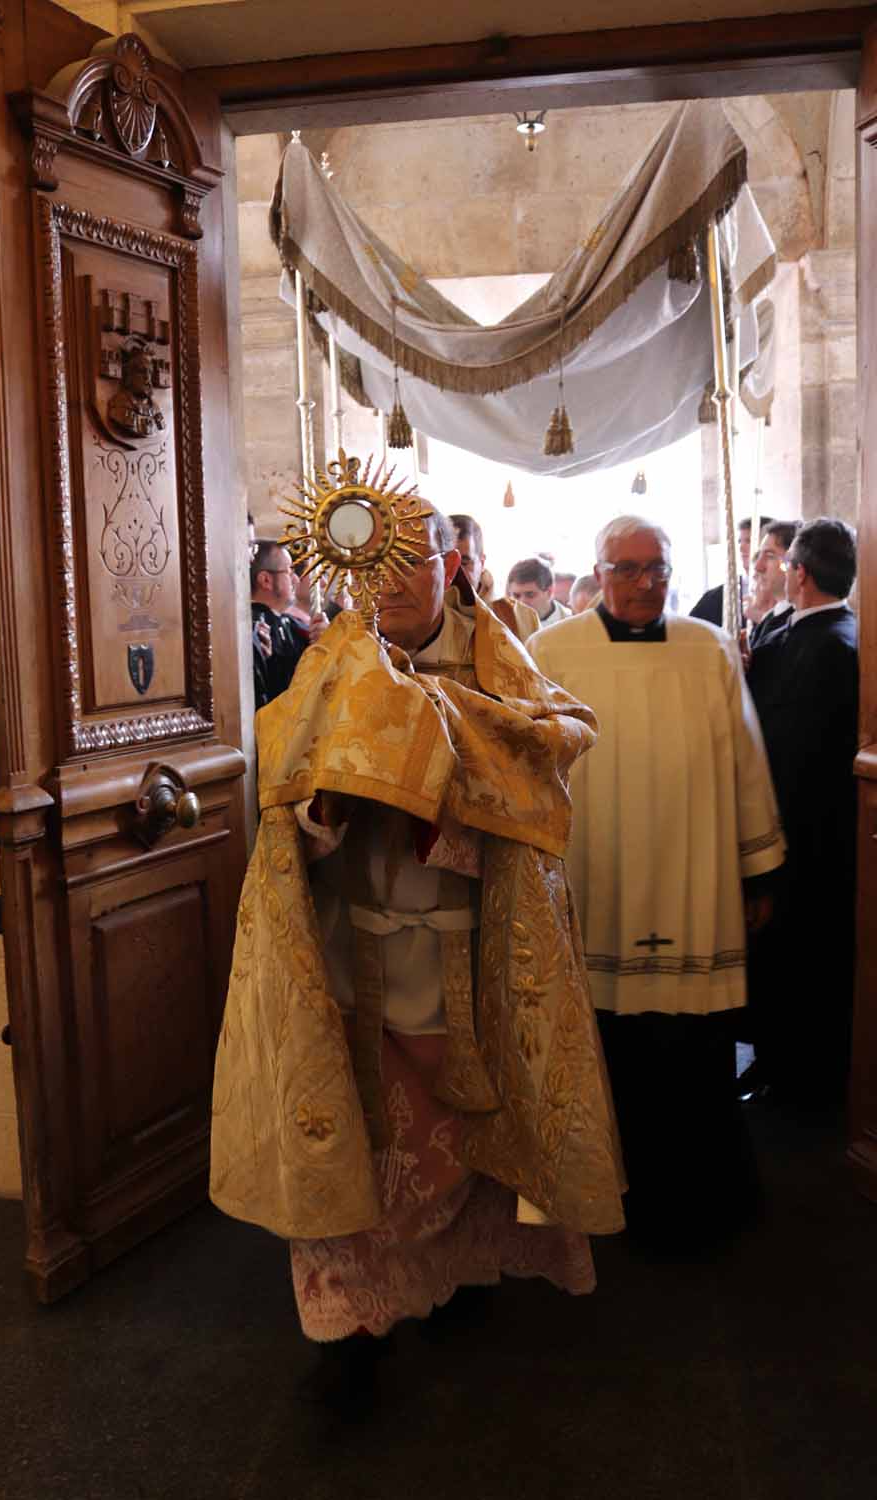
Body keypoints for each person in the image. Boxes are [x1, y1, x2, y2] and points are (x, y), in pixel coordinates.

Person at [211, 506, 625, 1403]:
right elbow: (286, 791)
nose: (390, 582)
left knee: (466, 1140)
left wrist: (450, 790)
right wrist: (326, 809)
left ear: (452, 564)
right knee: (358, 1140)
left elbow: (549, 749)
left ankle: (462, 1278)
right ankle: (350, 1333)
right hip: (352, 954)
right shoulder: (333, 662)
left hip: (470, 953)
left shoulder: (498, 663)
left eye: (412, 560)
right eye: (375, 563)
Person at [528, 515, 785, 1249]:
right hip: (595, 876)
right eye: (628, 569)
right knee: (607, 1042)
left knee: (693, 1045)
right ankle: (604, 1194)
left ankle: (706, 1196)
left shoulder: (709, 649)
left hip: (693, 877)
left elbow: (746, 760)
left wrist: (759, 869)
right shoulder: (551, 652)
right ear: (599, 573)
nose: (645, 584)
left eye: (657, 569)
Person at [746, 518, 859, 1111]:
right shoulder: (829, 634)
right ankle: (783, 1067)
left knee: (796, 962)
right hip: (818, 831)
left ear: (801, 574)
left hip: (801, 834)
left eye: (786, 564)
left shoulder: (824, 647)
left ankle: (792, 1079)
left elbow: (786, 750)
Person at [250, 540, 326, 710]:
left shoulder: (289, 624)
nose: (296, 579)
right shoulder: (254, 628)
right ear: (266, 580)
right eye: (289, 571)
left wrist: (326, 638)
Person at [450, 513, 538, 642]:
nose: (454, 572)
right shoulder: (423, 614)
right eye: (446, 562)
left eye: (464, 562)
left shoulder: (521, 618)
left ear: (482, 562)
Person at [690, 515, 772, 627]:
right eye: (739, 541)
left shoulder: (782, 596)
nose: (741, 548)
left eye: (748, 541)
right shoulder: (718, 597)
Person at [747, 520, 799, 648]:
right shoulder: (772, 617)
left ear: (792, 562)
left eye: (770, 556)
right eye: (759, 555)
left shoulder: (800, 623)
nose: (758, 567)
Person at [507, 557, 572, 628]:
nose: (522, 603)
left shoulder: (572, 623)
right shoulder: (504, 624)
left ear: (549, 592)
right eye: (516, 596)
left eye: (530, 595)